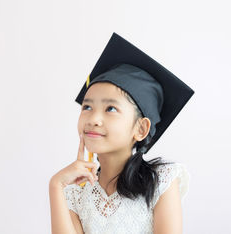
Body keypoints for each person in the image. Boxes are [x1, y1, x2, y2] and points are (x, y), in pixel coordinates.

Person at [49, 32, 194, 234]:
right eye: (87, 107)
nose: (93, 119)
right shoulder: (75, 194)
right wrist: (56, 185)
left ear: (141, 128)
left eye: (110, 109)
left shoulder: (160, 182)